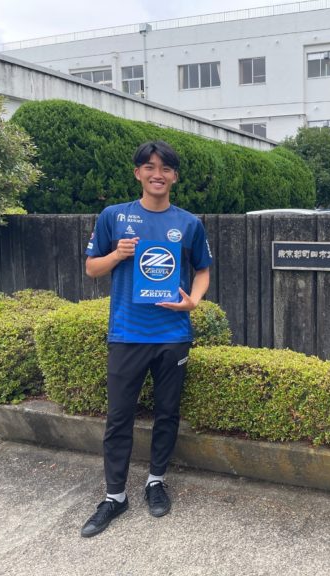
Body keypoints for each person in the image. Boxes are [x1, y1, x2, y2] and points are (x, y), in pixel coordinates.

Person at [80, 140, 212, 537]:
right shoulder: (114, 217)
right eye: (149, 167)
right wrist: (117, 254)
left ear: (174, 176)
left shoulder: (188, 223)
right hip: (127, 334)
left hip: (173, 335)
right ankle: (114, 496)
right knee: (119, 416)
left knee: (167, 413)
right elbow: (91, 268)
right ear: (138, 172)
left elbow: (202, 269)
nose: (158, 174)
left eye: (165, 168)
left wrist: (193, 302)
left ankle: (156, 481)